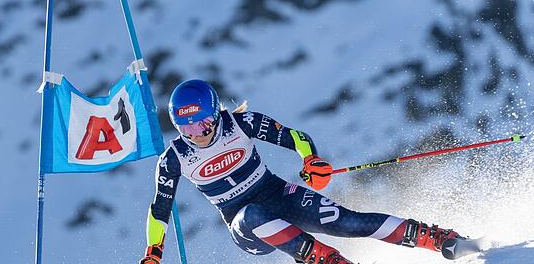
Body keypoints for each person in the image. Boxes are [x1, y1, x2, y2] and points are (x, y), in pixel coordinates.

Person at [139, 79, 463, 264]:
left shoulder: (240, 124)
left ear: (215, 112)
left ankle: (435, 238)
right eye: (187, 127)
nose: (198, 133)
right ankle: (325, 260)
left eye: (203, 122)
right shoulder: (175, 158)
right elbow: (160, 209)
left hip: (278, 193)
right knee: (251, 213)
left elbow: (296, 138)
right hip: (246, 228)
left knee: (347, 221)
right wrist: (154, 252)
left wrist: (310, 161)